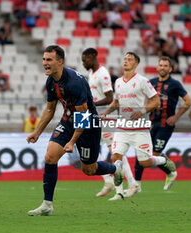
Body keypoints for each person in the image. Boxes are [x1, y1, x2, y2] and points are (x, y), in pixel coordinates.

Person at [26, 45, 123, 216]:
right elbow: (50, 109)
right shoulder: (51, 81)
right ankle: (47, 205)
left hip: (88, 124)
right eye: (44, 59)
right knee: (50, 157)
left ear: (60, 61)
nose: (45, 63)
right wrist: (37, 132)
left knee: (89, 170)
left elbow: (83, 116)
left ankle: (115, 169)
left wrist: (71, 142)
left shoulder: (74, 82)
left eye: (49, 60)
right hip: (69, 120)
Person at [103, 52, 176, 201]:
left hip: (139, 129)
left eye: (129, 60)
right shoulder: (117, 82)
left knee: (145, 162)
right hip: (122, 127)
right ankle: (119, 192)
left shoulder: (143, 81)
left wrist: (142, 111)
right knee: (116, 157)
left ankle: (163, 160)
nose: (126, 61)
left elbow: (156, 101)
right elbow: (116, 102)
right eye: (124, 59)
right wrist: (106, 113)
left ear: (136, 64)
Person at [82, 48, 138, 197]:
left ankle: (131, 184)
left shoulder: (103, 74)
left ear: (93, 57)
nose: (83, 63)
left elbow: (109, 98)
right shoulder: (91, 74)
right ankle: (108, 181)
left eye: (85, 60)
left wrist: (91, 105)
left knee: (116, 153)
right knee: (90, 149)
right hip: (93, 118)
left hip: (106, 118)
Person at [134, 56, 191, 191]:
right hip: (150, 123)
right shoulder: (151, 82)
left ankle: (170, 172)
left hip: (166, 125)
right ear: (157, 67)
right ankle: (136, 185)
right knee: (141, 151)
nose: (163, 68)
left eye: (166, 66)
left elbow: (188, 102)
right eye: (161, 65)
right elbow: (147, 101)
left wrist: (176, 117)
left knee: (154, 154)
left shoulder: (175, 84)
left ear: (170, 69)